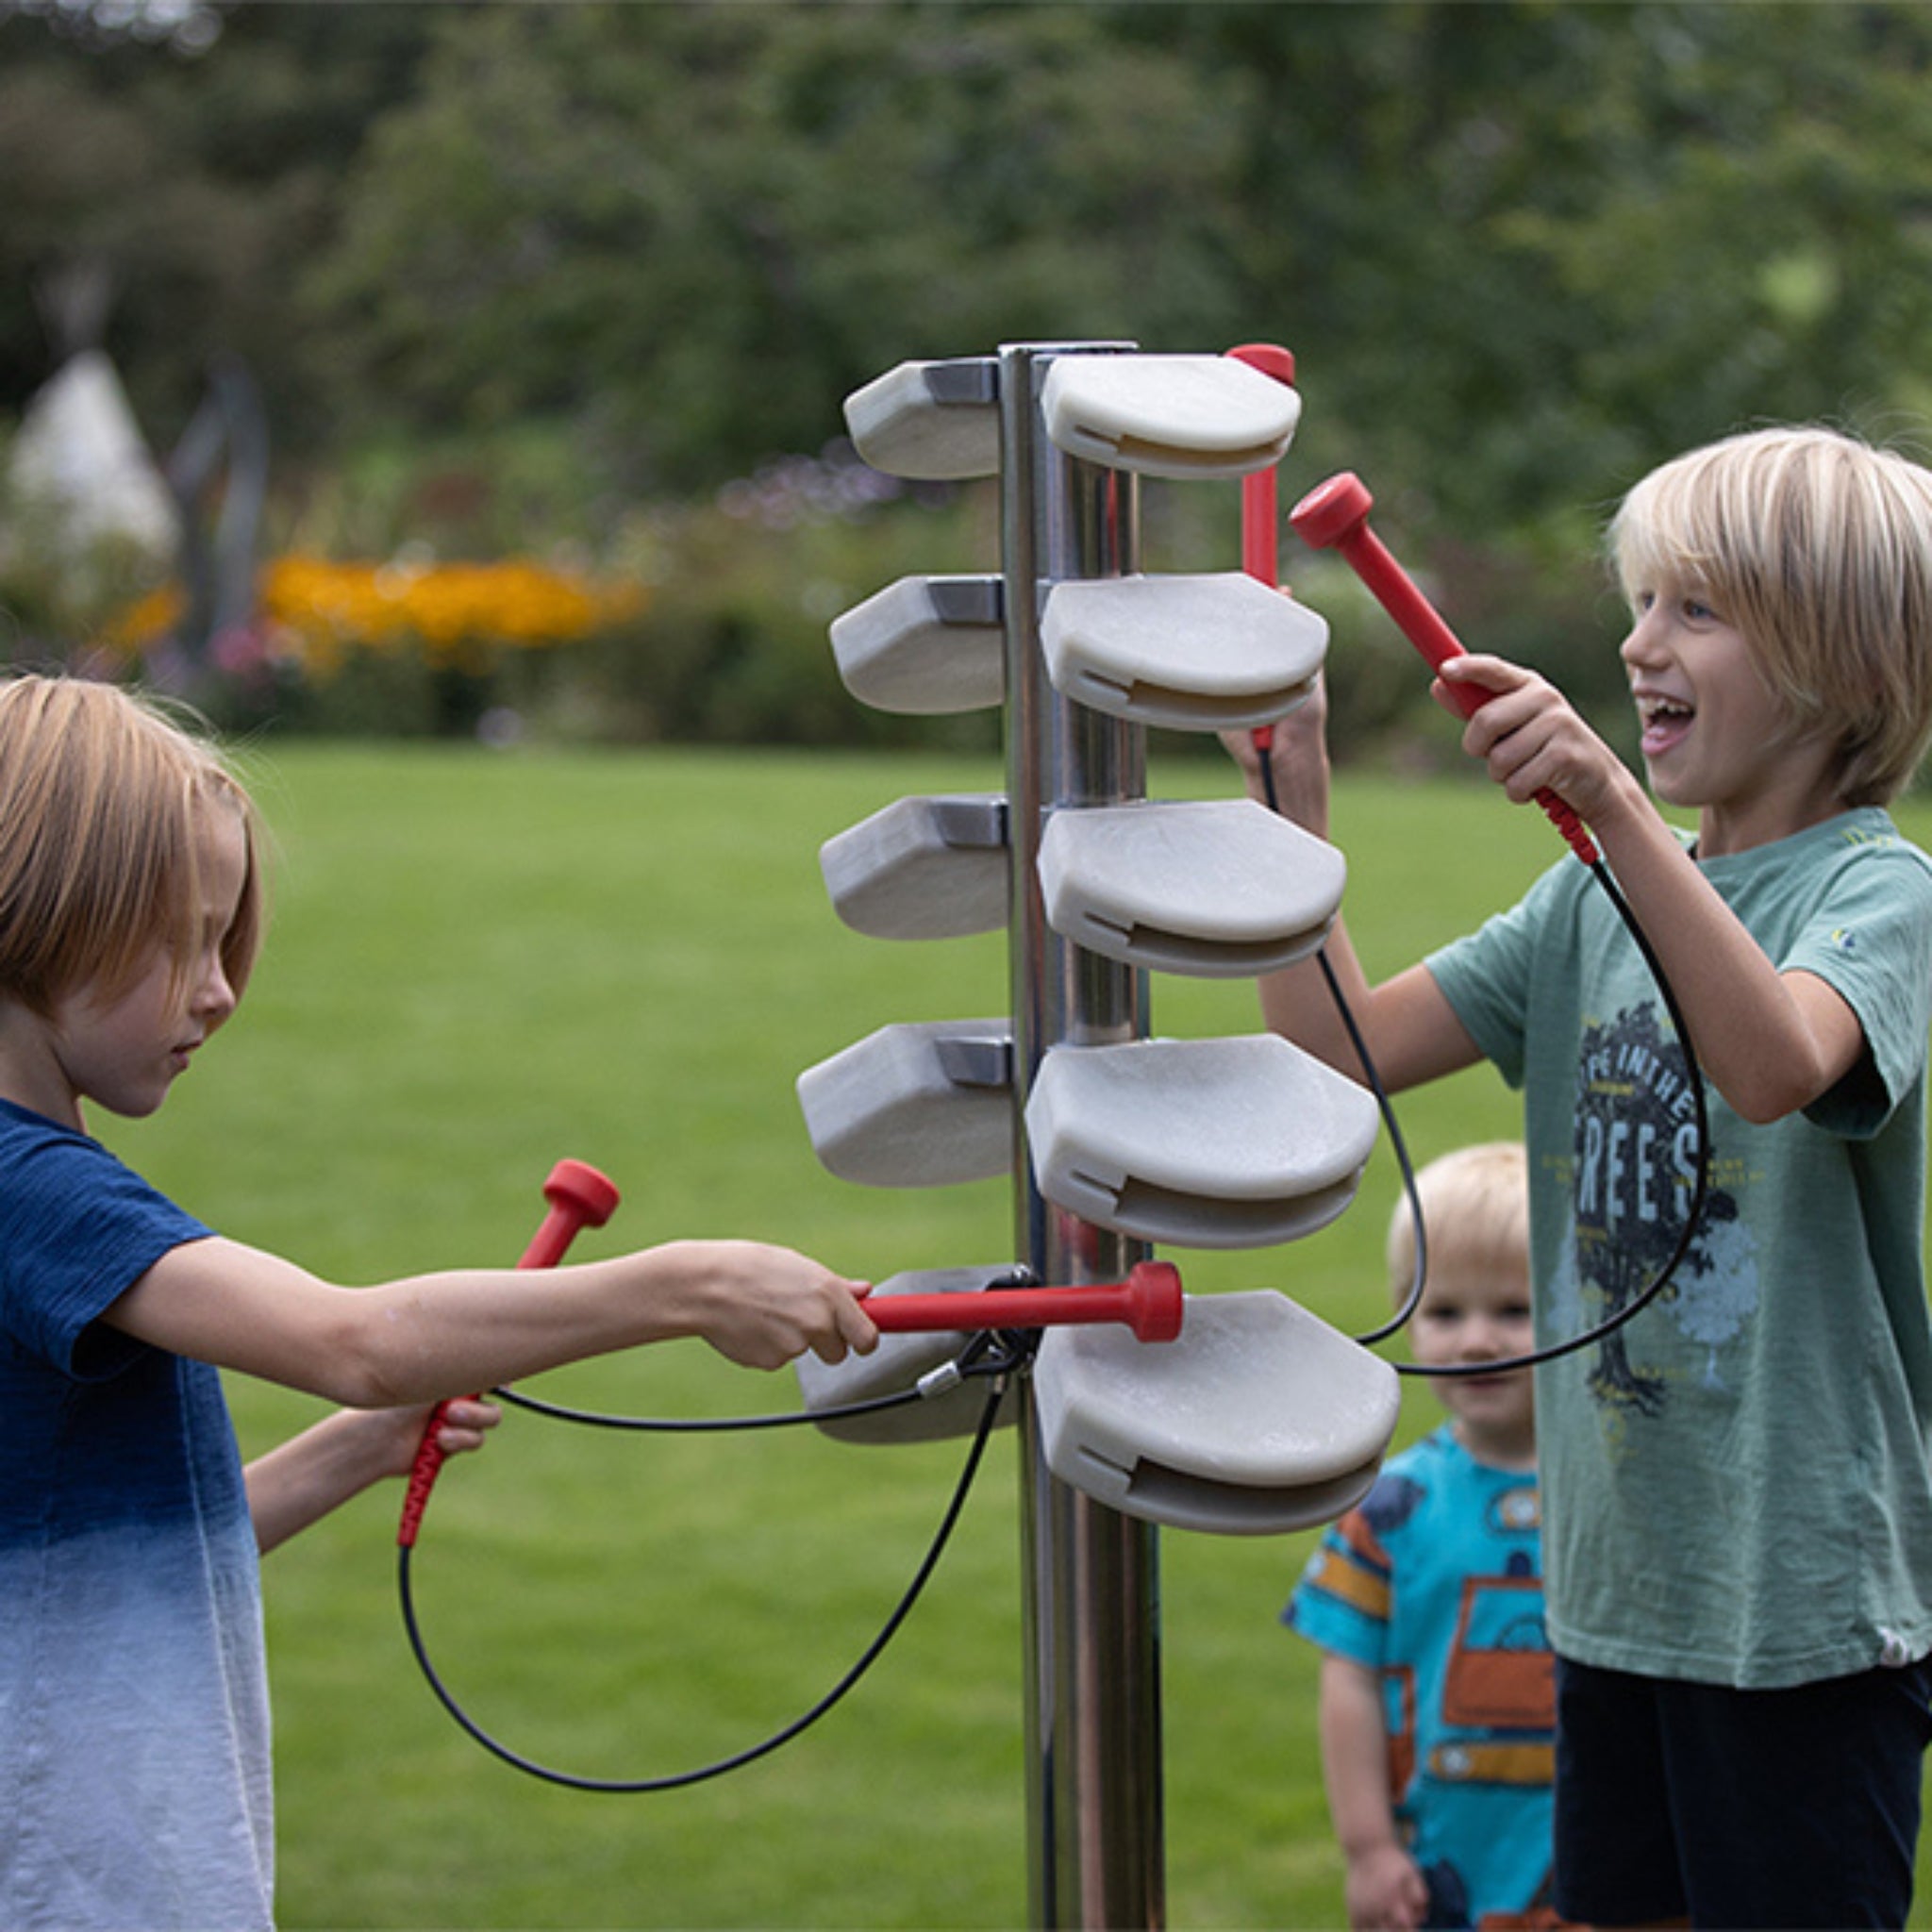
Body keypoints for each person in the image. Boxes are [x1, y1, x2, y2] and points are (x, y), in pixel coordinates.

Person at [0, 672, 878, 1932]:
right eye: (182, 941)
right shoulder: (35, 1191)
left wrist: (359, 1452)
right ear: (46, 910)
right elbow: (349, 1340)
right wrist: (688, 1283)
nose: (219, 991)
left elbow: (115, 1573)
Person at [1232, 425, 1932, 1929]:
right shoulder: (1583, 899)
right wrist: (1290, 816)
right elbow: (1339, 1051)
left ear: (1843, 664)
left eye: (1696, 609)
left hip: (1798, 1603)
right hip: (1615, 1583)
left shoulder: (1879, 893)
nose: (1638, 643)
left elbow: (1775, 1066)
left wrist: (1614, 808)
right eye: (1640, 604)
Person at [1288, 1142, 1554, 1931]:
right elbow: (1350, 1681)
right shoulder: (1389, 1506)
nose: (1476, 1341)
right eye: (1443, 1312)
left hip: (1605, 1862)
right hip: (1441, 1868)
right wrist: (1368, 1848)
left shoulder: (1621, 1496)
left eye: (1513, 1309)